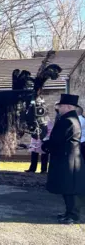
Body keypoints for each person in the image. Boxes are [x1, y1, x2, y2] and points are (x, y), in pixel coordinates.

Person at [42, 94, 85, 224]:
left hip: (68, 159)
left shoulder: (67, 120)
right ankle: (68, 212)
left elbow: (58, 139)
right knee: (67, 187)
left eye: (60, 106)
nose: (58, 108)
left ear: (67, 106)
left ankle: (73, 215)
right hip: (68, 157)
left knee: (70, 188)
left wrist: (46, 145)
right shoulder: (70, 118)